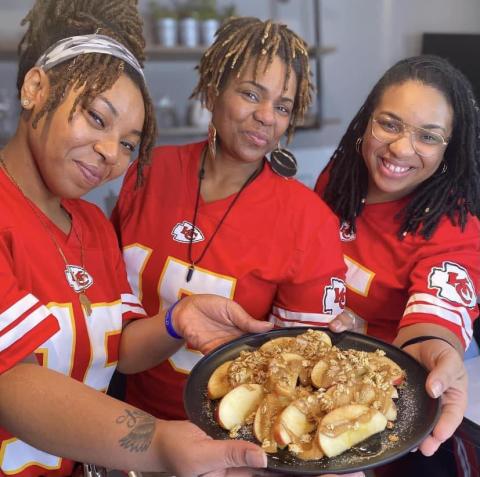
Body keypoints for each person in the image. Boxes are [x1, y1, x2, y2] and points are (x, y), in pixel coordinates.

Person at [0, 1, 293, 476]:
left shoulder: (92, 224)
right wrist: (158, 442)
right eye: (97, 118)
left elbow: (123, 349)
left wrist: (179, 317)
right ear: (36, 87)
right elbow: (9, 381)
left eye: (130, 143)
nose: (109, 153)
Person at [112, 16, 350, 422]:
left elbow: (304, 373)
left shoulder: (308, 221)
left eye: (282, 107)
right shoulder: (147, 172)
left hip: (230, 439)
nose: (265, 116)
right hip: (123, 412)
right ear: (212, 89)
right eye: (250, 94)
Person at [315, 55, 480, 475]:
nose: (401, 148)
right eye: (389, 124)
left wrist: (433, 346)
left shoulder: (454, 228)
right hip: (322, 373)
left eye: (428, 136)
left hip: (398, 394)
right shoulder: (337, 181)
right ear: (366, 122)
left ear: (449, 149)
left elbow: (437, 315)